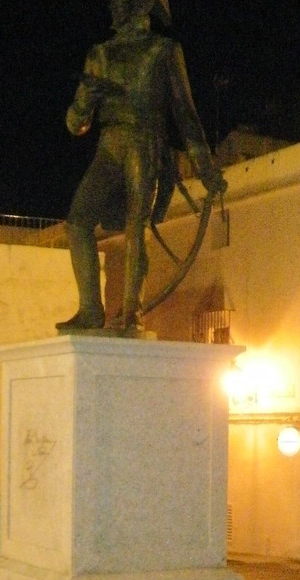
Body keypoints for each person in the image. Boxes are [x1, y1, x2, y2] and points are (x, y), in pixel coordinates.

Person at [56, 0, 226, 334]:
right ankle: (91, 310)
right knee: (78, 221)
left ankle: (131, 313)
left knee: (137, 226)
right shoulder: (100, 55)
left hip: (145, 144)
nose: (115, 8)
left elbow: (185, 116)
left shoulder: (163, 51)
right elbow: (75, 125)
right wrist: (85, 101)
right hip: (109, 144)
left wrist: (205, 169)